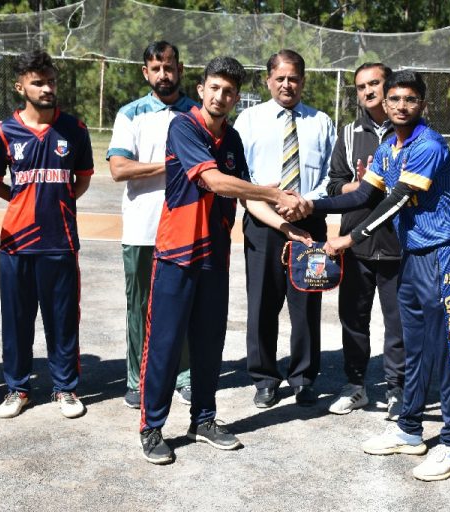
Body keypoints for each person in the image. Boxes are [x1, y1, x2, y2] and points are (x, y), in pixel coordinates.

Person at [138, 56, 307, 464]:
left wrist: (287, 227)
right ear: (201, 89)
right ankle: (151, 427)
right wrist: (273, 192)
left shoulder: (232, 139)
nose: (220, 96)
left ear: (236, 97)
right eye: (214, 88)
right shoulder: (183, 126)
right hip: (177, 255)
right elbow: (213, 180)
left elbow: (247, 196)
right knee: (164, 344)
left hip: (214, 257)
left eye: (229, 91)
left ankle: (203, 420)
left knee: (209, 344)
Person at [309, 70, 450, 481]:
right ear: (385, 103)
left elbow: (396, 200)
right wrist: (311, 205)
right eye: (395, 99)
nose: (401, 106)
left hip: (441, 255)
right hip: (412, 256)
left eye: (410, 99)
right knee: (414, 347)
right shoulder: (387, 148)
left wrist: (348, 239)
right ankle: (410, 430)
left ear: (423, 105)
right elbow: (365, 195)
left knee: (449, 349)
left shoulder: (429, 144)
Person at [0, 49, 92, 419]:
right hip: (16, 242)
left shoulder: (75, 130)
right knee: (16, 320)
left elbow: (82, 180)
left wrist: (58, 201)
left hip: (60, 241)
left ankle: (65, 388)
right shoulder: (3, 133)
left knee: (62, 319)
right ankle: (17, 388)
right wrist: (22, 200)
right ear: (20, 87)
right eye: (38, 82)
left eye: (51, 81)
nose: (47, 88)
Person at [234, 49, 336, 408]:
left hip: (310, 223)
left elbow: (332, 176)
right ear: (268, 81)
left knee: (307, 304)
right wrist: (276, 204)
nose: (287, 84)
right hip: (263, 222)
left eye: (293, 78)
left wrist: (306, 202)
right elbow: (241, 177)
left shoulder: (321, 122)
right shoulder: (249, 120)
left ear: (303, 81)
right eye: (280, 78)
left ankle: (304, 377)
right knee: (262, 303)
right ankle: (264, 378)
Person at [107, 41, 197, 410]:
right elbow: (118, 168)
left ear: (180, 69)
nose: (163, 74)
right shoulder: (130, 114)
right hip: (142, 228)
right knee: (140, 306)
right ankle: (137, 378)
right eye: (156, 68)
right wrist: (172, 163)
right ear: (146, 73)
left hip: (187, 228)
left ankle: (185, 376)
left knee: (185, 304)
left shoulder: (197, 113)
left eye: (169, 67)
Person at [326, 63, 405, 419]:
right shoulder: (348, 133)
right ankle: (355, 386)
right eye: (361, 87)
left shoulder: (409, 130)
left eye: (375, 83)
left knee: (397, 323)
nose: (368, 91)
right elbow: (334, 184)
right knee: (353, 319)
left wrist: (387, 184)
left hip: (397, 243)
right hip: (354, 244)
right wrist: (358, 186)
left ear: (389, 86)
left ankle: (397, 390)